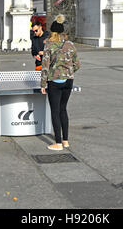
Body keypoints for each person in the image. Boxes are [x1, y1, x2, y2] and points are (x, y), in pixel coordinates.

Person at [41, 15, 80, 151]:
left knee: (55, 111)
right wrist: (69, 71)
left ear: (52, 32)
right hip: (68, 80)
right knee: (63, 109)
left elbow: (45, 66)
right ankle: (65, 140)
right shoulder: (70, 44)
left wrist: (43, 84)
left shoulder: (49, 45)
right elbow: (77, 64)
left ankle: (57, 142)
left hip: (55, 81)